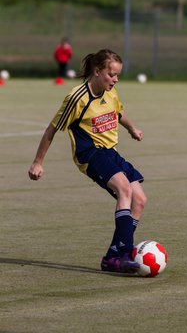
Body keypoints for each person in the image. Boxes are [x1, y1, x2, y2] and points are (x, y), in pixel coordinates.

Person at [28, 49, 147, 274]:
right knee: (124, 189)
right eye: (111, 74)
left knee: (139, 200)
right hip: (90, 154)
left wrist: (132, 128)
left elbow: (118, 113)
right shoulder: (77, 98)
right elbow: (52, 129)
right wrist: (37, 162)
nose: (116, 79)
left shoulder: (111, 92)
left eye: (118, 75)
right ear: (97, 71)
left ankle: (112, 257)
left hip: (110, 152)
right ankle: (124, 253)